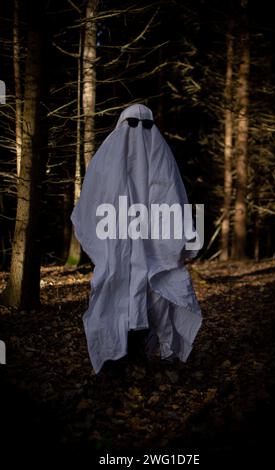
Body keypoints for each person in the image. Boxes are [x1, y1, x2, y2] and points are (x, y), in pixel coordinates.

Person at [71, 103, 202, 374]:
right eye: (132, 125)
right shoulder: (109, 156)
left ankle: (146, 350)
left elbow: (172, 198)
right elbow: (93, 202)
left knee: (153, 298)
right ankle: (114, 355)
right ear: (122, 125)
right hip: (117, 246)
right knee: (115, 295)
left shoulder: (159, 155)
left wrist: (176, 243)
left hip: (153, 250)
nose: (139, 133)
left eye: (145, 126)